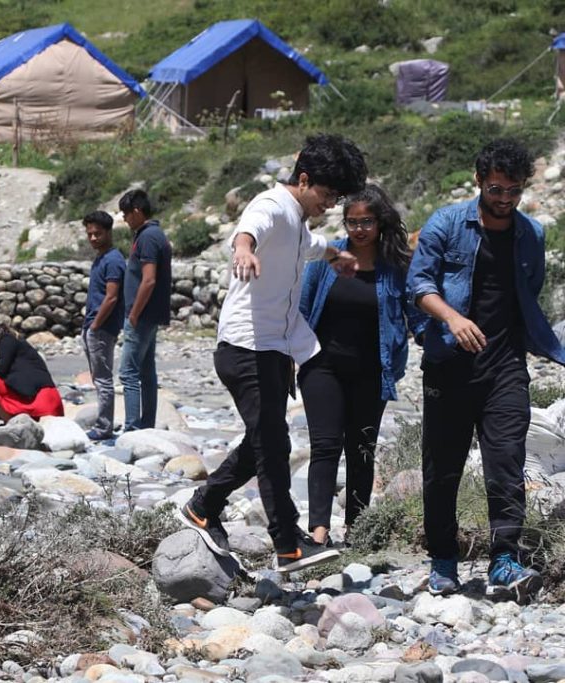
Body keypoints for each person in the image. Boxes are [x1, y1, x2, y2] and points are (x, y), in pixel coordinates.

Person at [178, 134, 367, 574]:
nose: (330, 204)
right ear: (303, 179)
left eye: (337, 197)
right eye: (327, 194)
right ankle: (288, 545)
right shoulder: (273, 206)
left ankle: (204, 506)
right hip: (246, 348)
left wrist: (336, 254)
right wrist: (243, 248)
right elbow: (250, 229)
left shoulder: (298, 223)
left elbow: (308, 248)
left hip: (272, 349)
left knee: (266, 440)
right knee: (272, 447)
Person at [408, 138, 565, 598]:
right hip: (449, 365)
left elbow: (528, 290)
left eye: (513, 191)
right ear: (479, 181)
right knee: (443, 468)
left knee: (506, 462)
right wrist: (452, 319)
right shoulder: (446, 224)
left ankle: (504, 559)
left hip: (505, 366)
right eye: (496, 189)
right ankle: (442, 561)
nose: (504, 199)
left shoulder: (530, 234)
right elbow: (418, 284)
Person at [298, 184, 426, 547]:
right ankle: (318, 533)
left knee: (361, 449)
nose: (358, 229)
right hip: (321, 366)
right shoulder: (328, 259)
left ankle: (357, 531)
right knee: (325, 445)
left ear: (380, 222)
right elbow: (303, 311)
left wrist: (435, 341)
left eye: (366, 221)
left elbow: (415, 313)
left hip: (373, 371)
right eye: (352, 221)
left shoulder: (395, 266)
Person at [118, 189, 172, 432]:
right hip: (151, 315)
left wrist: (134, 313)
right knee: (147, 371)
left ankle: (132, 427)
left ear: (137, 211)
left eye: (127, 214)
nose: (125, 219)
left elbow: (148, 279)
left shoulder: (148, 238)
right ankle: (147, 425)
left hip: (142, 316)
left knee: (128, 372)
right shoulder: (154, 234)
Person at [81, 210, 126, 441]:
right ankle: (103, 424)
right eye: (89, 234)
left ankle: (104, 426)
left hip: (102, 328)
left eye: (97, 234)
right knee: (98, 376)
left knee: (103, 378)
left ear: (108, 232)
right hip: (93, 325)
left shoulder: (113, 260)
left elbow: (112, 297)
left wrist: (96, 326)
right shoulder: (101, 258)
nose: (93, 238)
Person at [0, 322, 64, 422]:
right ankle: (15, 421)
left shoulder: (7, 340)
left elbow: (1, 370)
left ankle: (9, 422)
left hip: (42, 401)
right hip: (40, 400)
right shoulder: (13, 342)